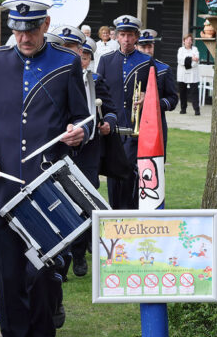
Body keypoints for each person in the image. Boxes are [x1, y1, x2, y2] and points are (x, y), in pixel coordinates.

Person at [0, 0, 87, 337]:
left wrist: (79, 132)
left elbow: (83, 118)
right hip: (2, 189)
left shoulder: (66, 62)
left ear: (46, 24)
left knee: (42, 280)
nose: (24, 37)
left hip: (46, 192)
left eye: (32, 29)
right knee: (9, 282)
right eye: (18, 29)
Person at [53, 25, 117, 277]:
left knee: (83, 203)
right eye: (64, 48)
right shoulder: (51, 78)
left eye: (77, 51)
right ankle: (61, 258)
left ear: (85, 54)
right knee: (60, 203)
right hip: (59, 150)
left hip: (88, 153)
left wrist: (107, 124)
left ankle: (79, 255)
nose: (73, 55)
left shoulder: (94, 80)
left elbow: (111, 110)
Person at [96, 16, 176, 210]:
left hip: (136, 131)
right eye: (122, 35)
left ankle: (134, 215)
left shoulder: (147, 61)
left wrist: (148, 98)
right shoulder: (106, 61)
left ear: (136, 37)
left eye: (130, 35)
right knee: (114, 177)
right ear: (116, 37)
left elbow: (156, 93)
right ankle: (115, 214)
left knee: (136, 177)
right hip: (114, 130)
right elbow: (100, 93)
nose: (126, 39)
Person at [135, 29, 176, 152]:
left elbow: (173, 99)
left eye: (150, 46)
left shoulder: (164, 69)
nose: (147, 51)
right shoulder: (129, 69)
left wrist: (153, 103)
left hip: (155, 126)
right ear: (136, 47)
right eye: (143, 47)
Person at [175, 33, 201, 116]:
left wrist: (189, 62)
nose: (188, 42)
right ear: (184, 41)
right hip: (182, 74)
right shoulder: (180, 50)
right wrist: (191, 58)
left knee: (194, 92)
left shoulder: (195, 49)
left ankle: (196, 109)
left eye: (190, 40)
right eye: (187, 40)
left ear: (192, 42)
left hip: (193, 73)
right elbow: (180, 60)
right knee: (182, 92)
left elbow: (196, 61)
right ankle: (183, 109)